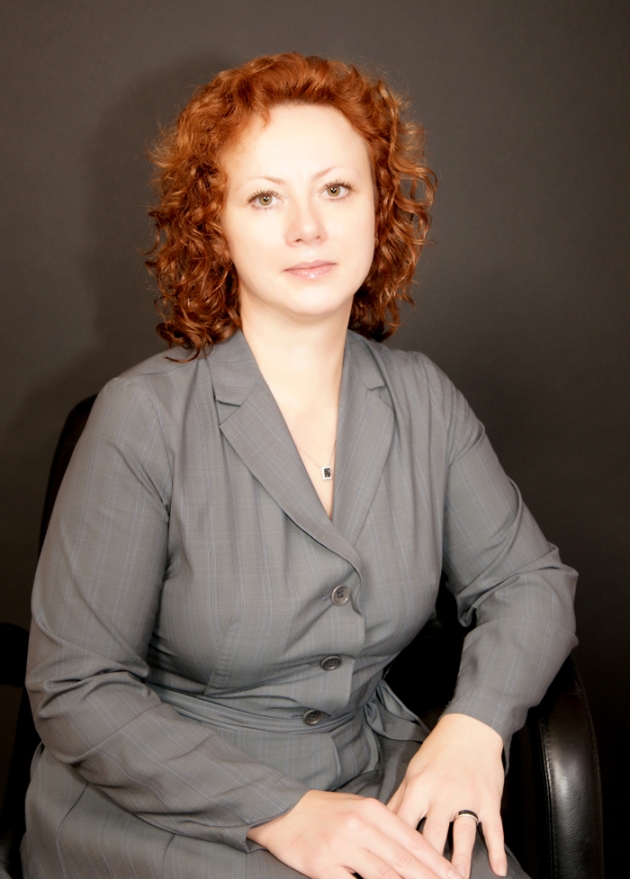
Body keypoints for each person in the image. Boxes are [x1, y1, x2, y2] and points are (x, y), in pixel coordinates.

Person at [23, 53, 577, 879]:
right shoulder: (142, 416)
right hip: (161, 803)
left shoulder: (422, 398)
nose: (307, 228)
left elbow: (530, 581)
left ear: (379, 208)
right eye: (265, 197)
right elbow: (75, 686)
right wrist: (279, 810)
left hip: (366, 779)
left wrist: (475, 726)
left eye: (336, 189)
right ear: (215, 227)